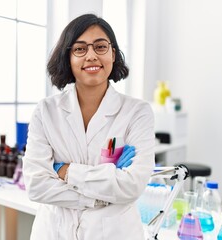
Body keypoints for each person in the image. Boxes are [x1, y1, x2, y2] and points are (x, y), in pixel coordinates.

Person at [23, 13, 155, 240]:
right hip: (53, 232)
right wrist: (102, 194)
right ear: (68, 58)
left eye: (100, 47)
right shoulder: (46, 112)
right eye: (80, 49)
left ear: (113, 54)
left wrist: (65, 171)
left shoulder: (137, 112)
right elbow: (36, 185)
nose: (92, 56)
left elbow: (133, 185)